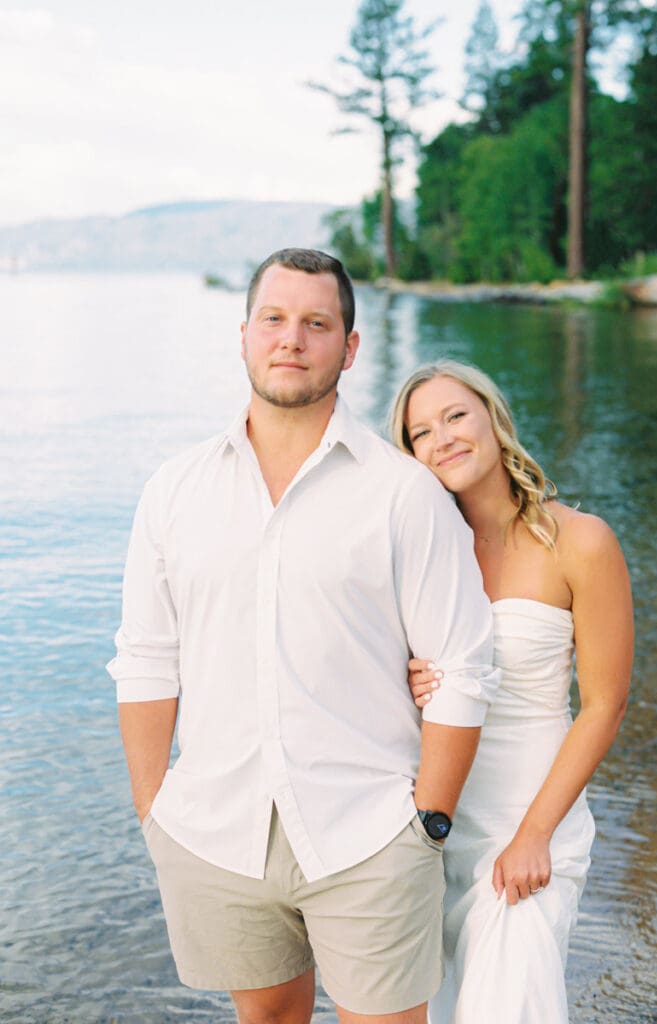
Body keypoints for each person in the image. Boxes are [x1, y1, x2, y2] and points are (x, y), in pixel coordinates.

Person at [107, 252, 499, 1024]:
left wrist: (429, 823)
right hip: (216, 832)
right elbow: (147, 658)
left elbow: (460, 667)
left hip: (372, 833)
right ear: (245, 335)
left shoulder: (402, 493)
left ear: (348, 348)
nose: (292, 339)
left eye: (316, 324)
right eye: (274, 320)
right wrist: (153, 808)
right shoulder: (174, 491)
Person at [389, 360, 633, 1024]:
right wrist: (409, 681)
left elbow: (605, 705)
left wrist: (533, 834)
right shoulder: (418, 555)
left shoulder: (579, 541)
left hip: (532, 818)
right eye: (420, 432)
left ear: (493, 420)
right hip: (436, 819)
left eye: (455, 416)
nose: (442, 438)